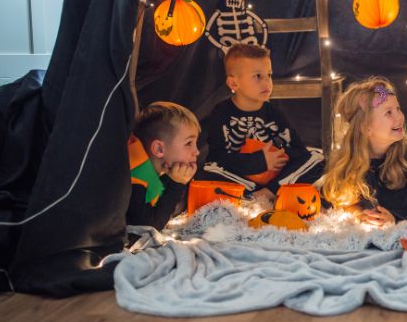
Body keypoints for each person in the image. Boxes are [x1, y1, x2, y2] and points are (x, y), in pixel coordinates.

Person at [199, 43, 323, 201]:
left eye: (269, 75)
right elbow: (218, 157)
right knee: (209, 168)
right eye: (257, 76)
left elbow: (299, 152)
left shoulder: (273, 113)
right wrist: (260, 161)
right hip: (241, 178)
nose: (267, 83)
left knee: (317, 159)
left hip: (275, 179)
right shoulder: (221, 113)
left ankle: (269, 192)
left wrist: (279, 156)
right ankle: (256, 193)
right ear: (233, 83)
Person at [321, 77, 407, 227]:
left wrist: (394, 219)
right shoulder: (347, 162)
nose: (400, 117)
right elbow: (334, 202)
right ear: (365, 127)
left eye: (398, 108)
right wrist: (356, 212)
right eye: (388, 113)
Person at [128, 101, 199, 229]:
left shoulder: (153, 169)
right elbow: (148, 227)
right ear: (159, 149)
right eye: (189, 143)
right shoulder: (135, 178)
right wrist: (177, 183)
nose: (197, 152)